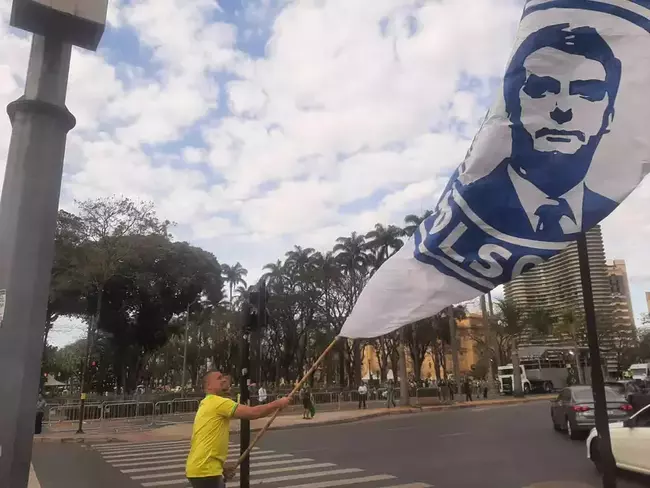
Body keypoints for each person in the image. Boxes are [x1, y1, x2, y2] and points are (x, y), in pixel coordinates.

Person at [461, 24, 621, 243]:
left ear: (608, 117)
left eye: (587, 93)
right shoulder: (470, 212)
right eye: (540, 89)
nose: (563, 110)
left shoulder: (597, 212)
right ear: (510, 107)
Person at [185, 371, 291, 488]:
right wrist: (278, 403)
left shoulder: (207, 403)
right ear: (208, 385)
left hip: (203, 468)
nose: (224, 380)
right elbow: (253, 413)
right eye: (219, 378)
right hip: (205, 470)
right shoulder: (218, 402)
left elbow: (205, 442)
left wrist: (221, 468)